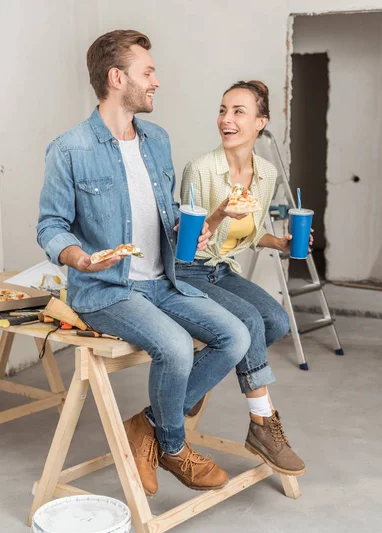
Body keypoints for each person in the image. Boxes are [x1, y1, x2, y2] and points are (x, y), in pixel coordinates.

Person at [37, 31, 252, 496]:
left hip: (162, 281)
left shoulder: (156, 139)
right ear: (117, 78)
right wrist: (81, 259)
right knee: (175, 347)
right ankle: (173, 447)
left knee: (236, 335)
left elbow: (168, 215)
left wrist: (207, 221)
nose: (156, 81)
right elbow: (51, 226)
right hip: (107, 290)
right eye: (147, 72)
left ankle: (148, 425)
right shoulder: (70, 149)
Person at [177, 80, 310, 476]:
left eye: (238, 112)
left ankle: (202, 373)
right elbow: (187, 242)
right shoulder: (200, 170)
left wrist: (281, 244)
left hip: (223, 269)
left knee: (276, 320)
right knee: (249, 323)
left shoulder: (265, 174)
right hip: (188, 270)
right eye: (223, 110)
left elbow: (248, 235)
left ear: (260, 122)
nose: (226, 119)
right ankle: (262, 424)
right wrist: (218, 213)